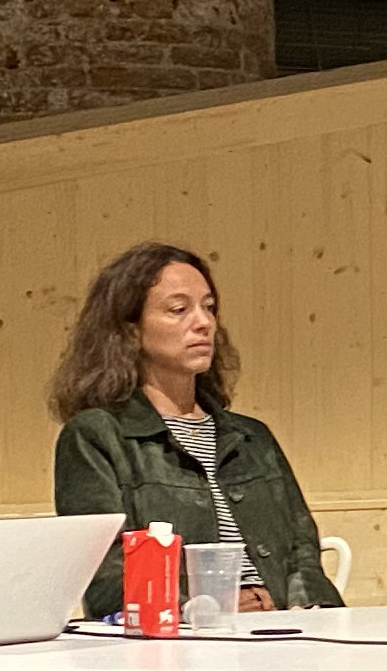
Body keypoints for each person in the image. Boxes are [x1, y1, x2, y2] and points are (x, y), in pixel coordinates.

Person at [48, 241, 346, 615]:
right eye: (179, 309)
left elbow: (303, 550)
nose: (203, 322)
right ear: (130, 330)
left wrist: (307, 610)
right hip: (181, 639)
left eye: (209, 307)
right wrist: (208, 609)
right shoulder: (96, 437)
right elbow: (107, 580)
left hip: (284, 629)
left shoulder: (252, 437)